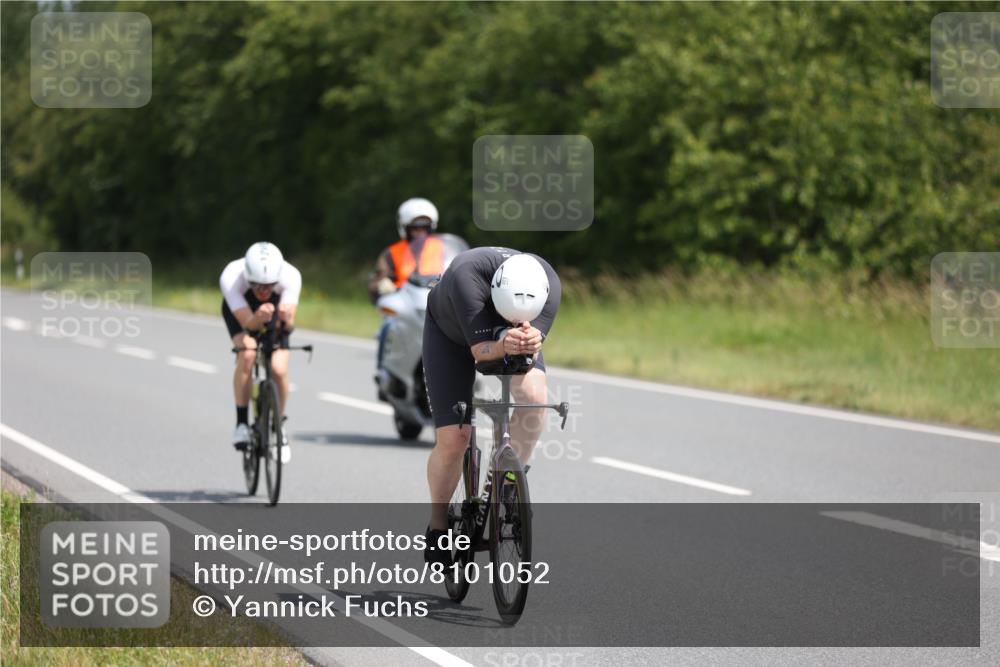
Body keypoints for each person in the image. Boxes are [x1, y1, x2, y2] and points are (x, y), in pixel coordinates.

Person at [421, 247, 561, 564]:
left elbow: (528, 351)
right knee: (455, 438)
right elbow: (482, 354)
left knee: (535, 399)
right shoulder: (465, 277)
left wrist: (525, 341)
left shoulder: (548, 284)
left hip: (503, 335)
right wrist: (501, 343)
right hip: (452, 332)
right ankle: (438, 526)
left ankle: (510, 481)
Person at [220, 242, 301, 463]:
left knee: (279, 369)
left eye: (269, 286)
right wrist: (257, 318)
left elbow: (289, 327)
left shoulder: (291, 276)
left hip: (275, 312)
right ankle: (242, 424)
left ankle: (278, 427)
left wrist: (287, 319)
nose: (263, 291)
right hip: (243, 311)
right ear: (248, 278)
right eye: (258, 286)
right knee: (247, 354)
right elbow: (248, 324)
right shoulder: (231, 277)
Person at [369, 198, 449, 396]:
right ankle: (384, 374)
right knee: (388, 326)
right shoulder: (393, 252)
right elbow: (378, 278)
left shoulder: (443, 248)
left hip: (437, 303)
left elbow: (458, 268)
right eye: (415, 228)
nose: (419, 232)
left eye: (424, 227)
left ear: (431, 227)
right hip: (405, 303)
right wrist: (382, 285)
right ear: (405, 228)